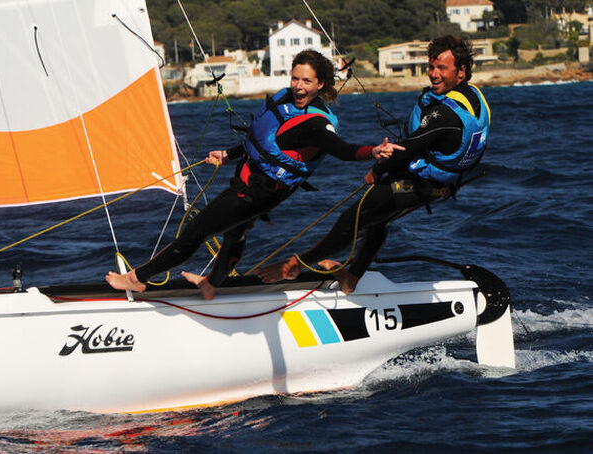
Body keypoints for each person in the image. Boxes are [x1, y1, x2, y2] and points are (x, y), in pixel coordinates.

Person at [105, 49, 402, 300]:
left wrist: (372, 152)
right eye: (295, 78)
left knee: (195, 233)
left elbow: (342, 149)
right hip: (254, 186)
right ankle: (212, 284)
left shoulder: (316, 124)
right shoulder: (287, 104)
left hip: (255, 192)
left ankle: (138, 278)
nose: (298, 86)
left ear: (320, 84)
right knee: (236, 232)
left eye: (307, 81)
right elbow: (265, 139)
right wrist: (229, 154)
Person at [256, 35, 490, 293]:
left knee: (353, 218)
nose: (433, 74)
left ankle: (294, 265)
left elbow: (403, 151)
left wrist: (376, 170)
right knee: (378, 218)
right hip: (441, 184)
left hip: (421, 184)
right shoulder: (472, 97)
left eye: (441, 68)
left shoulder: (444, 115)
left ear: (461, 71)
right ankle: (351, 277)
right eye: (431, 67)